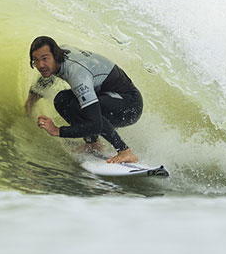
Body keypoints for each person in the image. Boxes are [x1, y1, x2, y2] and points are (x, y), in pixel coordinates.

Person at [24, 36, 143, 164]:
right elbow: (47, 75)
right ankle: (93, 144)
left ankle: (124, 151)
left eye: (45, 59)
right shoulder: (59, 54)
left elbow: (95, 124)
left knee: (80, 107)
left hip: (130, 106)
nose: (40, 65)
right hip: (108, 95)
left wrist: (56, 130)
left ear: (55, 55)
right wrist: (30, 102)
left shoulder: (77, 74)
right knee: (62, 100)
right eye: (36, 60)